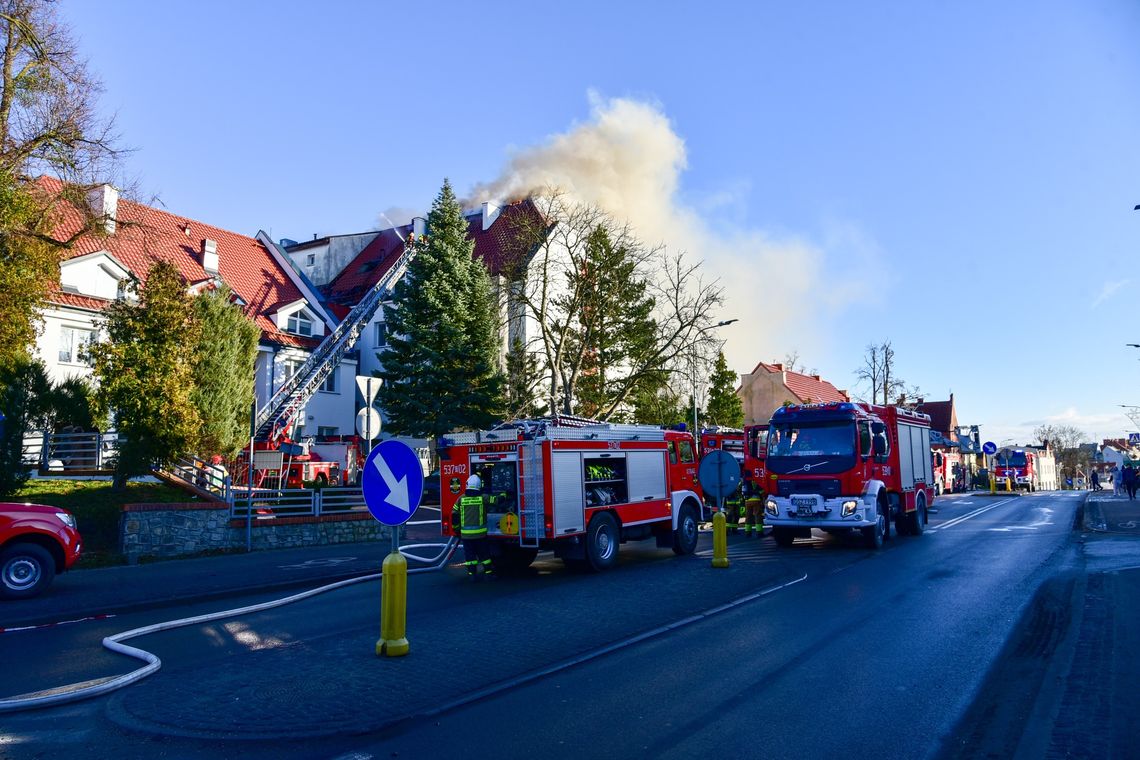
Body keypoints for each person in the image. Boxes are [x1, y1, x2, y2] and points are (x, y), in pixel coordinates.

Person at [456, 474, 494, 580]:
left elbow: (454, 514)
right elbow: (495, 500)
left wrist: (456, 529)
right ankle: (488, 573)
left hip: (466, 537)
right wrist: (504, 495)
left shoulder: (461, 499)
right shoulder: (483, 498)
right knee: (485, 555)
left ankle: (472, 575)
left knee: (470, 556)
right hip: (480, 536)